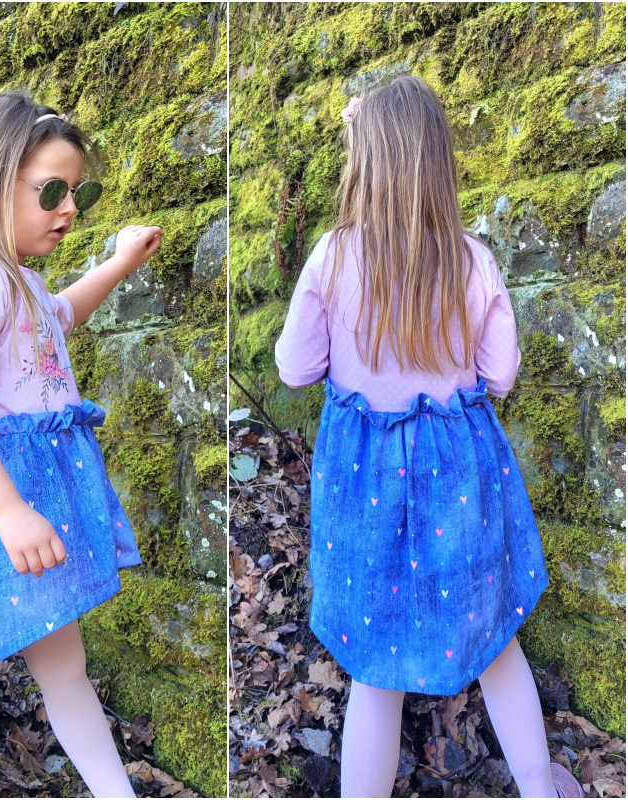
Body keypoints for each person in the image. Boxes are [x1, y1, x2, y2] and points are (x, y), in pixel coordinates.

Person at [274, 76, 584, 799]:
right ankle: (540, 787)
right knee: (494, 641)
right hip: (458, 479)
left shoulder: (332, 256)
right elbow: (500, 375)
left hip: (365, 486)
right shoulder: (472, 259)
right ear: (439, 160)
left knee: (374, 671)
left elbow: (294, 367)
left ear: (363, 162)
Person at [0, 90, 163, 798]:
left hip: (33, 509)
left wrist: (118, 263)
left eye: (78, 192)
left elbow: (61, 315)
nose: (69, 207)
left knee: (66, 672)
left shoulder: (19, 281)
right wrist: (9, 510)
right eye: (52, 190)